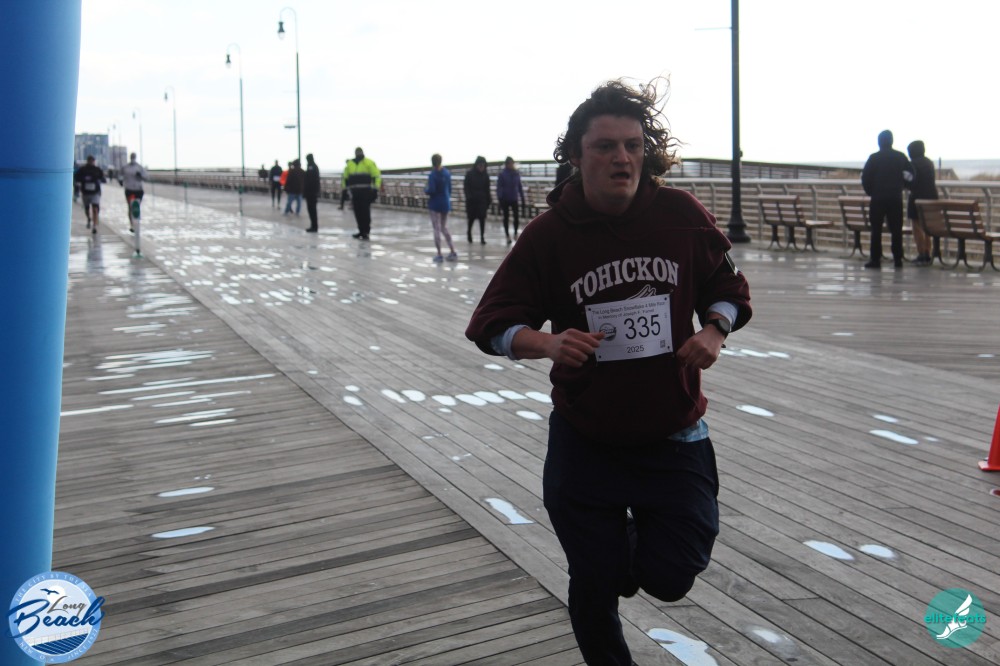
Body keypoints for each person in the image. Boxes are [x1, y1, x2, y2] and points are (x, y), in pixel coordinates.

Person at [465, 78, 752, 666]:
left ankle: (620, 546)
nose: (622, 158)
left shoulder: (680, 215)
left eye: (633, 145)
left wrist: (713, 330)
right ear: (576, 154)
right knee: (595, 583)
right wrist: (547, 342)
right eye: (605, 146)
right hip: (586, 439)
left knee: (670, 575)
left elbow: (728, 287)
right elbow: (490, 324)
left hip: (673, 434)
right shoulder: (550, 234)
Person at [861, 130, 914, 269]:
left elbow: (865, 178)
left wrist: (871, 192)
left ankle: (875, 259)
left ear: (879, 142)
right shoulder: (900, 157)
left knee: (876, 229)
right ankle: (898, 259)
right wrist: (903, 185)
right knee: (896, 229)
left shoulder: (874, 158)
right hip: (895, 197)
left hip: (877, 198)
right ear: (892, 141)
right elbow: (910, 175)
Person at [906, 140, 938, 265]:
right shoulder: (929, 163)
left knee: (917, 226)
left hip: (916, 199)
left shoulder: (912, 164)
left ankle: (921, 253)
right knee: (927, 228)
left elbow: (909, 181)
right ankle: (928, 252)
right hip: (931, 198)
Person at [342, 147, 381, 240]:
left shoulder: (369, 163)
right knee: (357, 212)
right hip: (355, 193)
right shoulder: (350, 164)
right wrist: (345, 190)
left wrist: (375, 190)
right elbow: (345, 178)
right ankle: (361, 230)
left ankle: (366, 231)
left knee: (365, 212)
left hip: (366, 193)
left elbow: (376, 176)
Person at [425, 154, 457, 262]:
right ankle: (452, 250)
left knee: (437, 229)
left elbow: (432, 190)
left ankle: (439, 254)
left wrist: (426, 190)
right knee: (444, 227)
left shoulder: (433, 175)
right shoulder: (447, 173)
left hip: (435, 204)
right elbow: (450, 188)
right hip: (445, 203)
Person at [496, 156, 526, 243]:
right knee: (506, 217)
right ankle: (507, 235)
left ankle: (515, 233)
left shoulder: (516, 173)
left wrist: (522, 198)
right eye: (510, 163)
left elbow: (519, 186)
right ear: (507, 164)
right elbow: (499, 187)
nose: (512, 165)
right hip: (505, 199)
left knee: (516, 216)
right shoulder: (502, 174)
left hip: (514, 198)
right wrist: (500, 198)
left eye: (512, 163)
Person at [74, 155, 106, 234]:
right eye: (90, 161)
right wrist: (79, 183)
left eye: (92, 161)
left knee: (95, 208)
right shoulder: (83, 169)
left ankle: (94, 226)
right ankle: (88, 218)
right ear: (87, 161)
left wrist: (100, 180)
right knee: (87, 208)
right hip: (85, 192)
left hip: (95, 192)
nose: (91, 162)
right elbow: (77, 177)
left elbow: (103, 178)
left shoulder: (97, 169)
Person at [463, 156, 492, 244]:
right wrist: (469, 197)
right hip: (472, 201)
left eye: (483, 165)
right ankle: (469, 232)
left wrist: (489, 200)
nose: (481, 167)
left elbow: (487, 189)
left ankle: (482, 237)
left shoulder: (486, 175)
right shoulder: (470, 174)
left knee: (482, 219)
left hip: (482, 201)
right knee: (471, 219)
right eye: (480, 165)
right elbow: (466, 187)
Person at [119, 152, 148, 233]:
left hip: (138, 190)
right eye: (132, 157)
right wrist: (120, 181)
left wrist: (140, 176)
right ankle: (132, 224)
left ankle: (136, 222)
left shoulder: (139, 167)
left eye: (134, 157)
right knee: (131, 206)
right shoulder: (125, 167)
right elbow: (120, 175)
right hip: (129, 190)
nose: (133, 158)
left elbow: (146, 177)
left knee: (136, 206)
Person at [304, 153, 320, 232]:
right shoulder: (312, 166)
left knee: (312, 210)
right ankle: (313, 226)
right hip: (312, 192)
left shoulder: (312, 167)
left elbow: (310, 180)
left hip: (311, 192)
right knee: (311, 210)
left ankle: (314, 226)